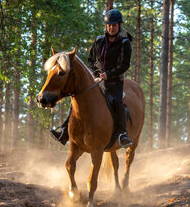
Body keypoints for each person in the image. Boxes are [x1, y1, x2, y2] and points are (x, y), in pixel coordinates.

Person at [51, 9, 133, 148]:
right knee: (77, 99)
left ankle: (122, 134)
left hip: (115, 81)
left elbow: (125, 65)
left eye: (114, 25)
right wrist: (95, 73)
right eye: (109, 25)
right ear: (106, 26)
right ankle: (64, 130)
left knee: (118, 102)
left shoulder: (124, 42)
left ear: (119, 26)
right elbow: (90, 59)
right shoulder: (99, 40)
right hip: (97, 79)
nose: (112, 28)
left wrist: (109, 74)